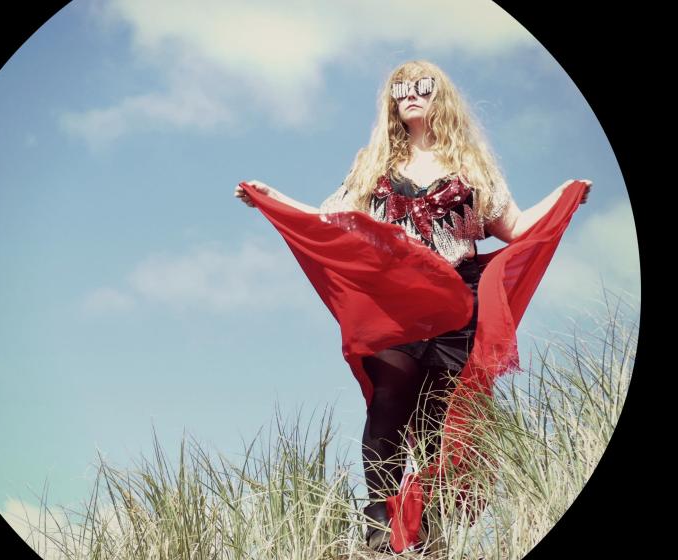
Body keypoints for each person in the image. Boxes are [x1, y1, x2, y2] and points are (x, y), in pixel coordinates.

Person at [234, 60, 591, 554]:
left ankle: (427, 530)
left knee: (435, 419)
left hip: (457, 302)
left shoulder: (473, 170)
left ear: (440, 95)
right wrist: (274, 199)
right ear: (391, 102)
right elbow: (329, 217)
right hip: (394, 301)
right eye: (400, 88)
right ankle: (378, 516)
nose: (410, 94)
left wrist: (565, 195)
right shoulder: (373, 165)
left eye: (422, 86)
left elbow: (519, 228)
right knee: (391, 391)